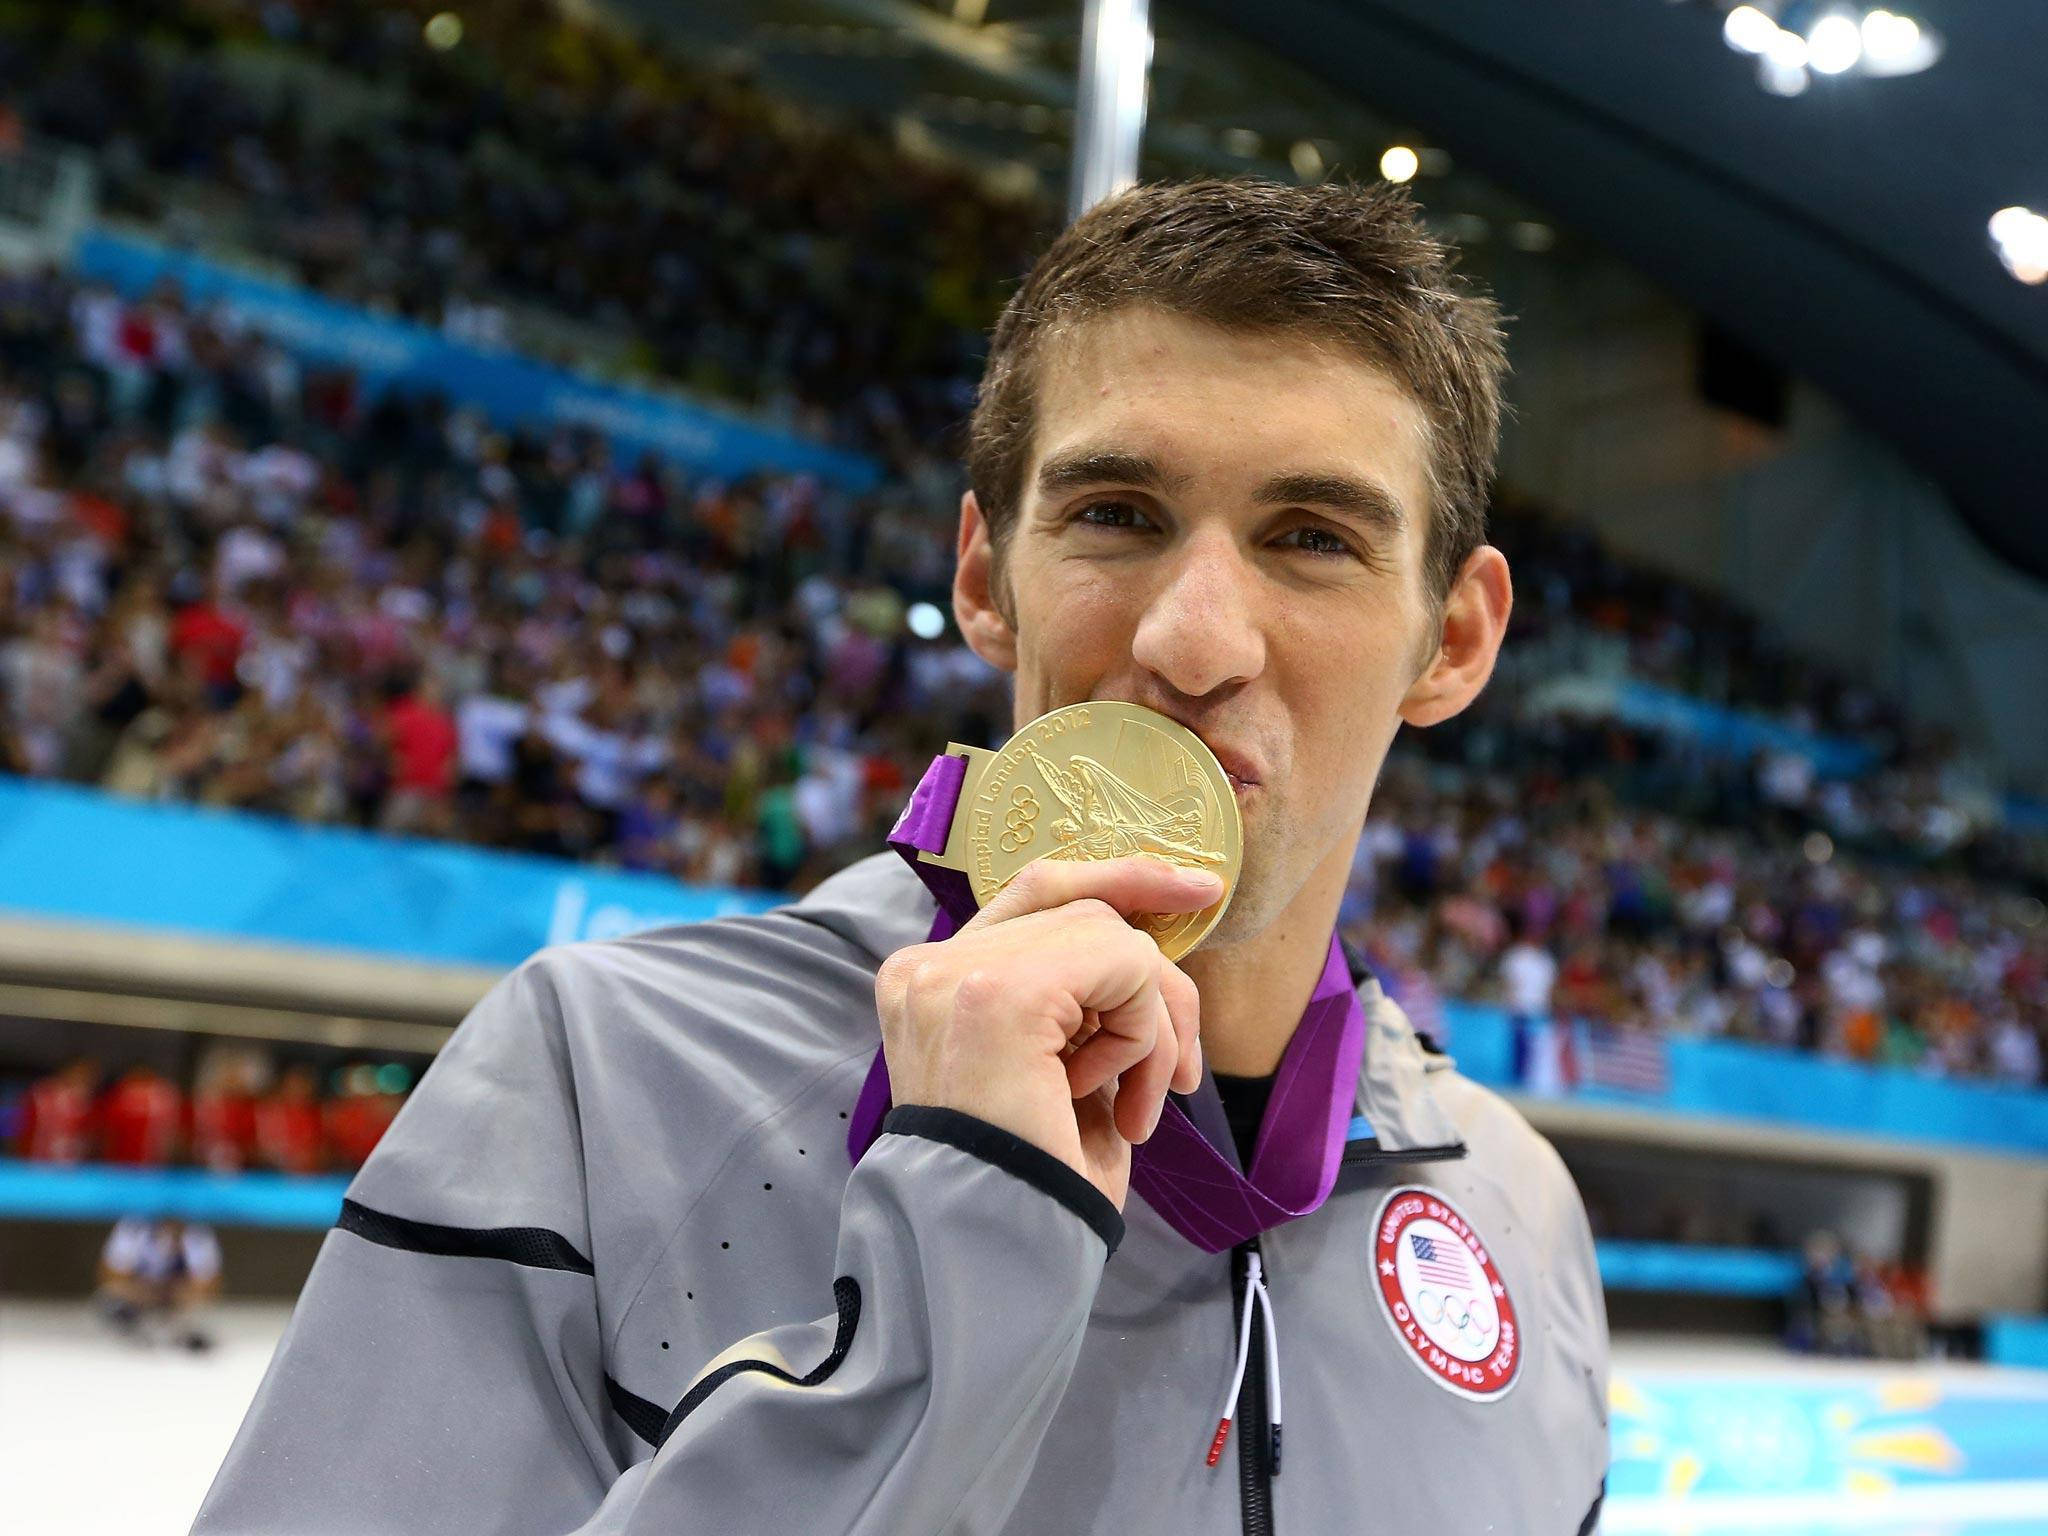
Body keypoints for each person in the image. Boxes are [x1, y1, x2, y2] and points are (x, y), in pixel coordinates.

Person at [197, 180, 1609, 1534]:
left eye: (1311, 539)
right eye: (1116, 516)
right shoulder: (608, 1081)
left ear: (1454, 639)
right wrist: (951, 1271)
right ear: (986, 579)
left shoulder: (1516, 1212)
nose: (1192, 641)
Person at [95, 1215, 222, 1351]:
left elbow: (209, 1283)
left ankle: (179, 1332)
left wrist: (175, 1292)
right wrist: (145, 1290)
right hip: (141, 1296)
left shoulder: (197, 1232)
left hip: (174, 1301)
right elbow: (111, 1276)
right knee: (111, 1296)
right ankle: (135, 1331)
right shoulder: (134, 1226)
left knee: (197, 1301)